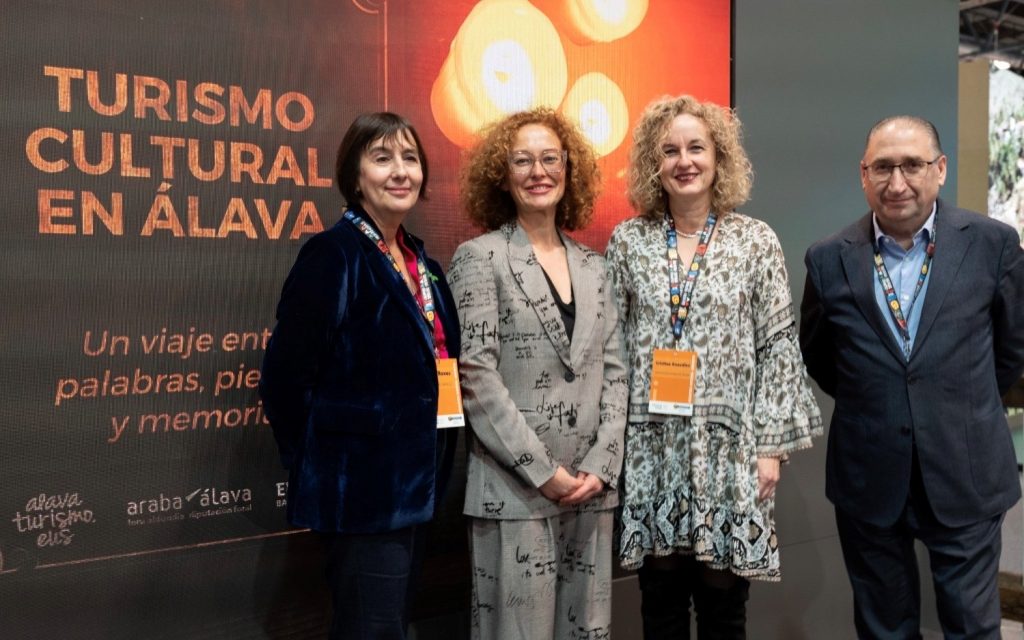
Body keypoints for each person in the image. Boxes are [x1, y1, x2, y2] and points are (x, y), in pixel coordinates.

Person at [605, 95, 822, 639]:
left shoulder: (756, 241)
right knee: (660, 606)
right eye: (670, 151)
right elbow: (611, 348)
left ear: (718, 156)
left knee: (724, 609)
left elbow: (777, 345)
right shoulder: (628, 241)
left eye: (696, 148)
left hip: (730, 453)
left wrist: (770, 447)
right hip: (652, 449)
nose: (684, 161)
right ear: (653, 163)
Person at [800, 115, 1024, 639]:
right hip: (870, 475)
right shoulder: (829, 259)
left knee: (972, 627)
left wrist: (958, 405)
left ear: (940, 169)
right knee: (884, 630)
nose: (896, 182)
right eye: (882, 167)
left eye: (912, 166)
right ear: (863, 174)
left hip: (966, 470)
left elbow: (1012, 349)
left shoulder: (992, 245)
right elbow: (821, 358)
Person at [258, 112, 460, 640]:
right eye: (382, 158)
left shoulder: (425, 266)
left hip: (418, 491)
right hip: (363, 497)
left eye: (410, 158)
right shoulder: (334, 255)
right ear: (355, 175)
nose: (400, 171)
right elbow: (284, 379)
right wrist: (322, 465)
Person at [446, 107, 627, 639]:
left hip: (592, 494)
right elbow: (475, 376)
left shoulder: (597, 268)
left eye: (550, 158)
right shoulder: (479, 258)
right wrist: (544, 472)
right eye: (521, 161)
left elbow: (617, 373)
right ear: (501, 176)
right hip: (514, 494)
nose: (538, 171)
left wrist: (601, 466)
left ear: (568, 168)